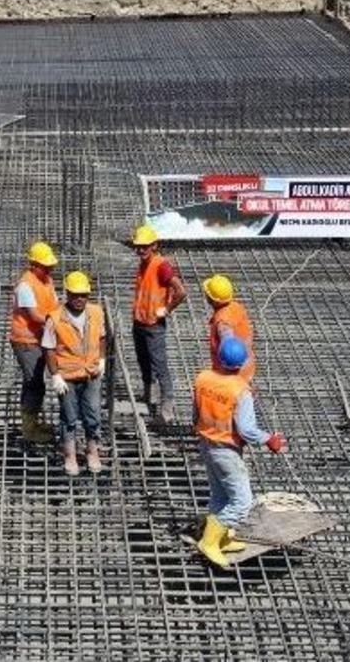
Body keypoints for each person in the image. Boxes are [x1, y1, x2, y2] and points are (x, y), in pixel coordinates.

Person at [193, 338, 286, 568]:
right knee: (243, 501)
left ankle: (221, 538)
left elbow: (194, 413)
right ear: (240, 364)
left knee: (220, 495)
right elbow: (246, 429)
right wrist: (269, 439)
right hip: (226, 449)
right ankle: (209, 542)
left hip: (206, 442)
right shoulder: (240, 390)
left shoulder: (203, 378)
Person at [43, 271, 108, 476]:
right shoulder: (54, 319)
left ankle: (92, 451)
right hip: (68, 377)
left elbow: (102, 337)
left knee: (93, 415)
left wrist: (102, 359)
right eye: (75, 294)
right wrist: (55, 375)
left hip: (91, 373)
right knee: (69, 417)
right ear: (67, 294)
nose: (80, 299)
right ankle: (70, 456)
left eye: (84, 295)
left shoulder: (96, 312)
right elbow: (48, 348)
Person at [130, 224, 186, 422]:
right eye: (138, 246)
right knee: (144, 362)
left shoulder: (161, 265)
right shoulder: (143, 263)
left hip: (154, 325)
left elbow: (181, 291)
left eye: (145, 246)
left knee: (159, 365)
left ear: (154, 245)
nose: (141, 250)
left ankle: (167, 405)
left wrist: (168, 309)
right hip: (139, 322)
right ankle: (149, 396)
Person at [8, 241, 60, 445]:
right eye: (45, 265)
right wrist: (58, 321)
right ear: (33, 264)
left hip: (41, 339)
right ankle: (29, 430)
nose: (50, 268)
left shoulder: (47, 280)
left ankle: (32, 423)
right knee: (34, 385)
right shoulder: (25, 285)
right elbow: (34, 315)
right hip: (26, 341)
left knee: (34, 382)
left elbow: (54, 305)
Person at [203, 274, 256, 384]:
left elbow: (229, 349)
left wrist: (225, 376)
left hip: (231, 374)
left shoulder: (222, 322)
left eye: (208, 294)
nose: (205, 295)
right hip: (246, 366)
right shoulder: (235, 306)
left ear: (214, 300)